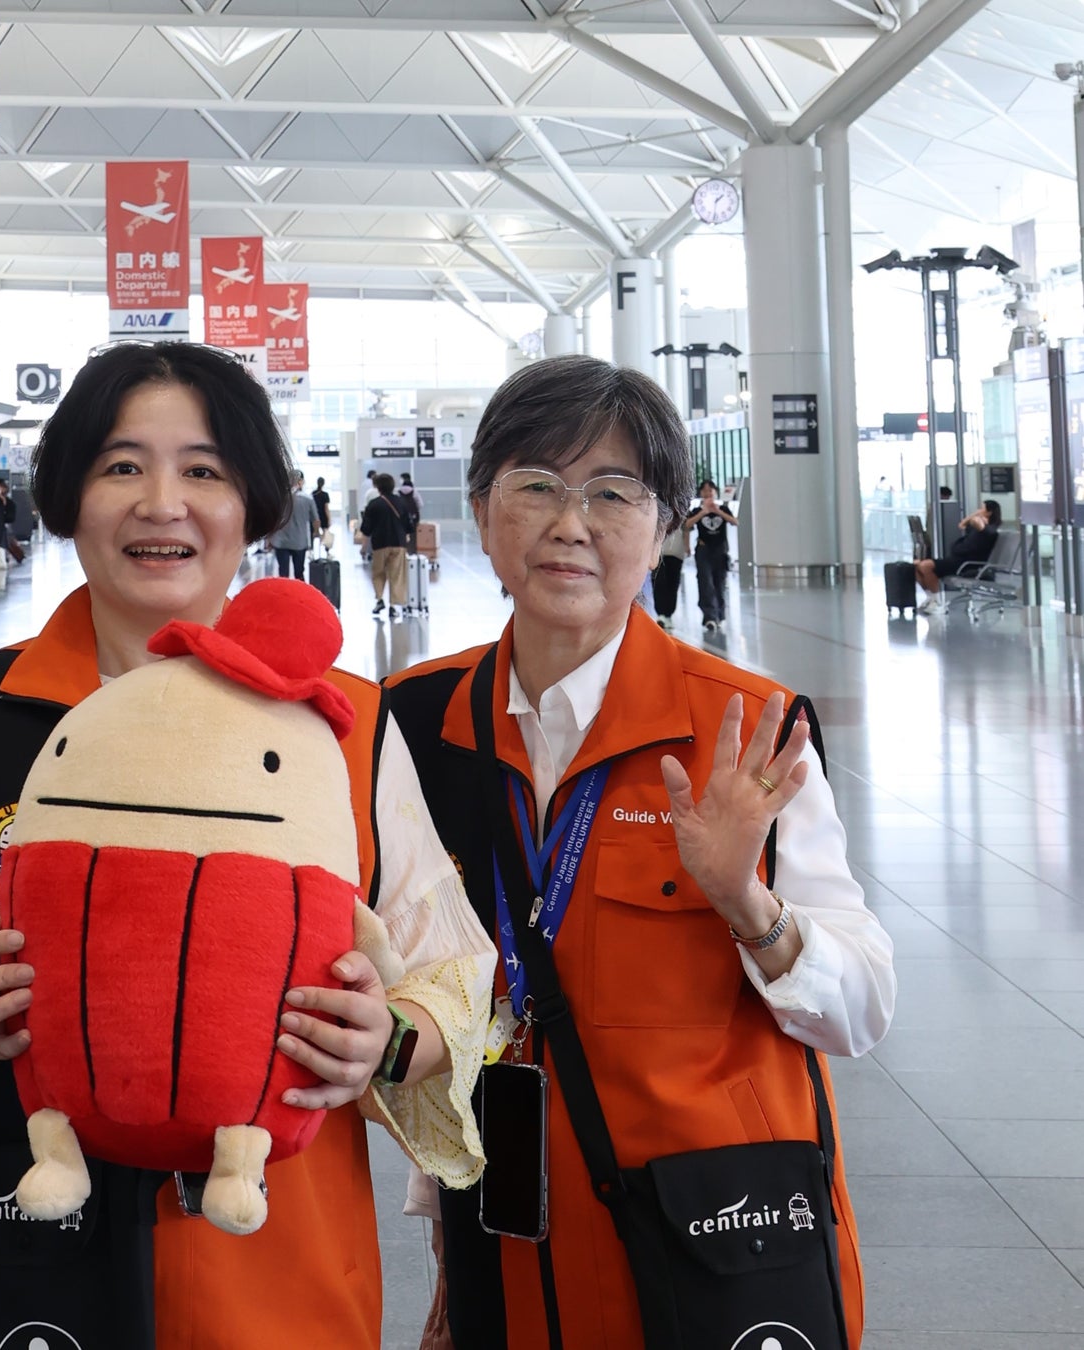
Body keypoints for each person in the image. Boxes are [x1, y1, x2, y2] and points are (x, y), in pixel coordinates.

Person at [0, 340, 493, 1350]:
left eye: (203, 470)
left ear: (253, 502)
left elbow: (458, 981)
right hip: (17, 1266)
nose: (162, 502)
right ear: (68, 495)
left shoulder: (346, 726)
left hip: (277, 1272)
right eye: (121, 465)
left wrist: (380, 1040)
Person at [383, 354, 894, 1350]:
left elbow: (863, 1005)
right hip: (504, 1217)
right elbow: (441, 984)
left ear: (664, 526)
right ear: (484, 514)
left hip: (711, 1228)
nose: (571, 523)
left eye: (613, 492)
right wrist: (444, 1232)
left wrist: (749, 905)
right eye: (536, 487)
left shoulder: (747, 727)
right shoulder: (420, 723)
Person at [916, 498, 1002, 613]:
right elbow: (962, 524)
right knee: (916, 566)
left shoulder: (989, 531)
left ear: (989, 512)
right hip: (955, 560)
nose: (978, 511)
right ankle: (931, 597)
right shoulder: (977, 528)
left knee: (925, 566)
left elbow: (976, 521)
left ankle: (935, 601)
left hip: (965, 564)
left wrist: (978, 515)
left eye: (982, 508)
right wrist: (979, 514)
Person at [682, 479, 737, 632]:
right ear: (700, 493)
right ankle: (709, 617)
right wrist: (704, 512)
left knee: (719, 583)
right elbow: (687, 525)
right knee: (705, 582)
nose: (708, 493)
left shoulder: (723, 509)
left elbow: (734, 522)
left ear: (715, 493)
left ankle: (719, 615)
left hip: (720, 551)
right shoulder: (696, 511)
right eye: (705, 491)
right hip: (703, 550)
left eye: (710, 491)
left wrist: (717, 511)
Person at [359, 471, 409, 619]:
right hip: (398, 544)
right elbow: (409, 526)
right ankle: (393, 606)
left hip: (380, 544)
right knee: (396, 574)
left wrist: (363, 547)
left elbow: (366, 529)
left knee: (378, 574)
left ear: (378, 488)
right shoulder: (401, 502)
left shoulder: (374, 505)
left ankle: (379, 599)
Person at [269, 470, 319, 581]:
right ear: (301, 481)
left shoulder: (279, 498)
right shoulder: (308, 499)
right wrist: (316, 533)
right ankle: (300, 596)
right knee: (299, 573)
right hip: (299, 542)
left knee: (283, 574)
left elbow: (272, 519)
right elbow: (316, 521)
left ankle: (283, 596)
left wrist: (269, 539)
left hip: (280, 542)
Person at [651, 518, 687, 630]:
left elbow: (686, 530)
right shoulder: (657, 509)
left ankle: (668, 614)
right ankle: (661, 613)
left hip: (676, 552)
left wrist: (687, 547)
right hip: (659, 552)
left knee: (673, 584)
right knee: (659, 582)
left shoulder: (682, 512)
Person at [396, 471, 422, 551]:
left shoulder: (398, 492)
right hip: (413, 517)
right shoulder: (415, 492)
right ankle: (412, 550)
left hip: (400, 516)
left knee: (401, 533)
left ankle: (403, 550)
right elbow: (420, 504)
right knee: (413, 534)